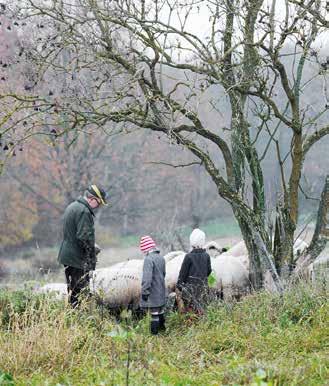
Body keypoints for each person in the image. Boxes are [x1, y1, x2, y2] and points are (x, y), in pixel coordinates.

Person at [58, 184, 107, 307]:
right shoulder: (84, 211)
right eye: (99, 202)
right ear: (92, 199)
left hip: (68, 255)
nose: (99, 206)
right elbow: (84, 237)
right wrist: (92, 255)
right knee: (80, 292)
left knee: (73, 290)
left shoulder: (73, 206)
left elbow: (76, 233)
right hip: (77, 258)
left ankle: (72, 318)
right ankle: (78, 318)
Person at [176, 228, 212, 314]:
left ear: (191, 241)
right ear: (203, 241)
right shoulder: (206, 256)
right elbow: (209, 271)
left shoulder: (188, 257)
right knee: (203, 313)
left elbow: (182, 275)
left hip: (189, 293)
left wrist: (179, 287)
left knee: (191, 315)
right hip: (203, 291)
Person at [140, 235, 166, 335]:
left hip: (153, 292)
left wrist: (145, 292)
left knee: (153, 314)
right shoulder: (161, 258)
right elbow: (163, 274)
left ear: (146, 249)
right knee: (160, 312)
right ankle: (163, 333)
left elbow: (147, 278)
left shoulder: (148, 260)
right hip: (161, 290)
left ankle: (154, 336)